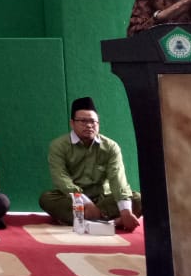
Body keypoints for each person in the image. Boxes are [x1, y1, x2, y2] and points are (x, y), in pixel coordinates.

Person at [39, 96, 142, 231]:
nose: (89, 125)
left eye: (93, 121)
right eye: (83, 121)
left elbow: (118, 179)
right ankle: (110, 222)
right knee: (46, 199)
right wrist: (85, 202)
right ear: (72, 123)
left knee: (138, 199)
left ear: (98, 123)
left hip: (103, 198)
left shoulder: (111, 147)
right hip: (74, 199)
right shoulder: (58, 146)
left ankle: (85, 220)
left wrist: (126, 211)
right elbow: (60, 178)